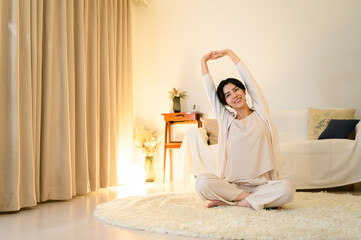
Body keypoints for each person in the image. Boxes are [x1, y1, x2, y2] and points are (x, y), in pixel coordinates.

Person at [196, 49, 295, 210]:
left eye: (236, 90)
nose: (234, 95)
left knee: (287, 188)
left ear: (244, 91)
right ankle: (252, 201)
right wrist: (203, 62)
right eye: (227, 95)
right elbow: (210, 93)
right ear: (226, 102)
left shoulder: (261, 113)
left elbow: (250, 80)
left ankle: (230, 204)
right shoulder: (226, 120)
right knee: (201, 181)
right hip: (234, 187)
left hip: (262, 185)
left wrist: (229, 53)